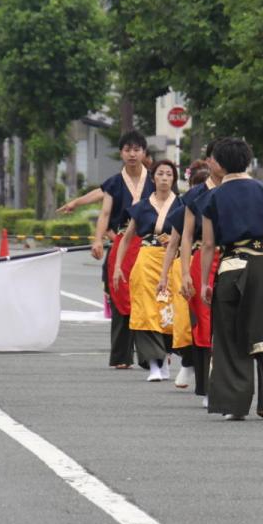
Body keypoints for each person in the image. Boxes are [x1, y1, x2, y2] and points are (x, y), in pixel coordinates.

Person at [200, 137, 263, 421]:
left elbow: (208, 245)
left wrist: (205, 282)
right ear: (247, 161)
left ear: (219, 164)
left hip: (231, 267)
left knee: (230, 336)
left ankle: (234, 404)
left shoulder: (211, 198)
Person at [113, 160, 192, 382]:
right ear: (153, 178)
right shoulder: (142, 206)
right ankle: (154, 365)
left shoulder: (182, 204)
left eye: (169, 174)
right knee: (146, 312)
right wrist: (118, 266)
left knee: (170, 312)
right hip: (146, 261)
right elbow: (126, 238)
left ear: (174, 179)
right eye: (160, 174)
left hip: (173, 262)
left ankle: (165, 357)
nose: (164, 178)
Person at [158, 152, 225, 403]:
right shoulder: (193, 198)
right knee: (200, 324)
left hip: (230, 259)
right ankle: (203, 382)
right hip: (198, 263)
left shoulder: (235, 190)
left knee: (227, 323)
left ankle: (222, 381)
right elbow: (179, 239)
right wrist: (175, 274)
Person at [91, 131, 156, 369]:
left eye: (137, 149)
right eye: (127, 150)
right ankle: (121, 356)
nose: (132, 154)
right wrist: (98, 239)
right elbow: (105, 213)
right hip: (121, 243)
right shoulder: (115, 182)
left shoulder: (155, 179)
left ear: (144, 153)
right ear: (121, 153)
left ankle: (152, 355)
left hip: (150, 244)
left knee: (148, 298)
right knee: (119, 295)